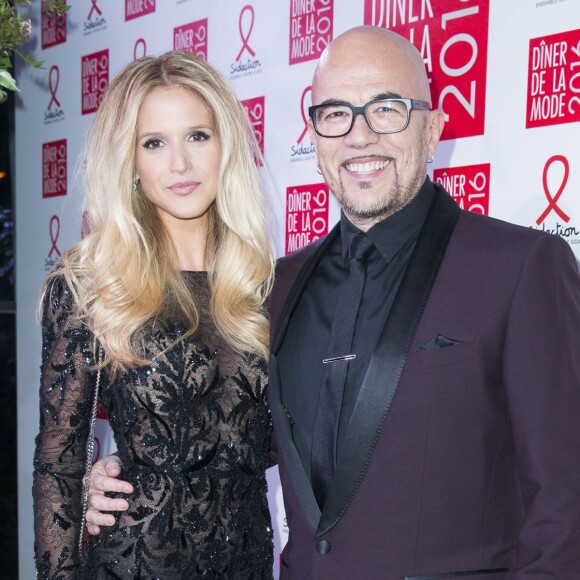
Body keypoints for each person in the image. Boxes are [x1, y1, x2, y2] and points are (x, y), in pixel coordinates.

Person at [85, 26, 580, 579]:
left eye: (387, 109)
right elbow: (248, 439)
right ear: (315, 136)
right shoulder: (276, 285)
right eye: (336, 113)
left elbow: (565, 500)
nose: (359, 136)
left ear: (434, 128)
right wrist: (128, 473)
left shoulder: (519, 266)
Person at [33, 50, 276, 579]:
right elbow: (57, 465)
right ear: (131, 161)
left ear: (225, 145)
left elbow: (267, 443)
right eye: (154, 143)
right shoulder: (91, 285)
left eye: (197, 136)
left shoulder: (262, 287)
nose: (180, 164)